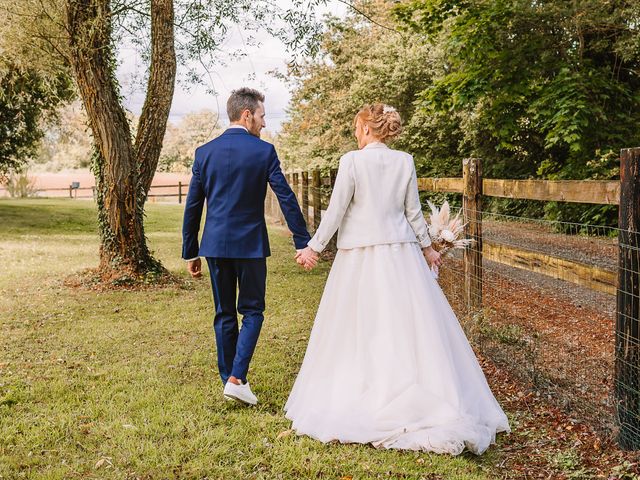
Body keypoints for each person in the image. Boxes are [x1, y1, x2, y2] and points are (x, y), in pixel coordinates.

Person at [288, 103, 510, 455]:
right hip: (400, 254)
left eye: (356, 129)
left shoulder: (351, 162)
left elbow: (337, 210)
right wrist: (427, 249)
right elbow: (412, 212)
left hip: (359, 256)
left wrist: (313, 247)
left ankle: (366, 390)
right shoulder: (404, 160)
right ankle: (419, 392)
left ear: (365, 128)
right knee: (408, 324)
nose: (355, 135)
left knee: (358, 324)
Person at [182, 87, 318, 406]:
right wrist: (302, 241)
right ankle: (236, 378)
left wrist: (191, 249)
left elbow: (192, 206)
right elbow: (285, 196)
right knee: (253, 310)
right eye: (261, 116)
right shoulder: (263, 152)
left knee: (224, 313)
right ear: (247, 115)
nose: (264, 123)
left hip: (214, 245)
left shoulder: (204, 152)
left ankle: (230, 378)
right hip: (251, 246)